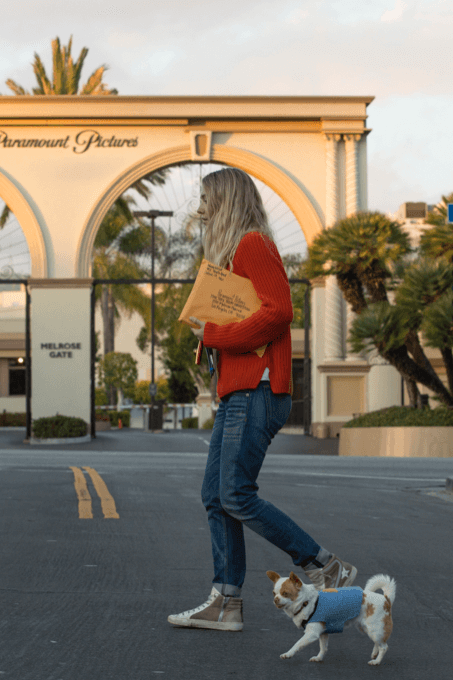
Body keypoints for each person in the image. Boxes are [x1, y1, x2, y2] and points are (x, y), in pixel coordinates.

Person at [167, 167, 357, 632]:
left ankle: (321, 562)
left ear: (227, 200)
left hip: (258, 389)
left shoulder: (253, 244)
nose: (200, 209)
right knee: (215, 495)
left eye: (207, 199)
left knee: (234, 493)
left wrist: (215, 334)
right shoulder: (234, 257)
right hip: (240, 391)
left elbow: (280, 311)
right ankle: (226, 604)